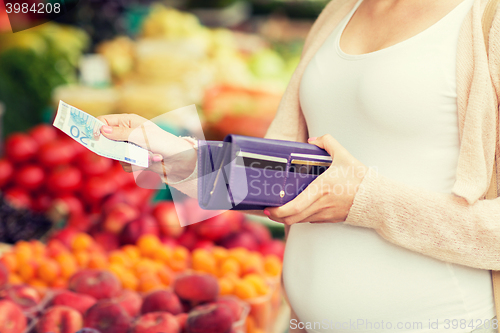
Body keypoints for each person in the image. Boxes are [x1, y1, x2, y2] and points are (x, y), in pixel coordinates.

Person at [99, 0, 500, 331]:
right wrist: (182, 157)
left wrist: (366, 200)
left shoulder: (486, 20)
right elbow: (287, 175)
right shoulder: (340, 11)